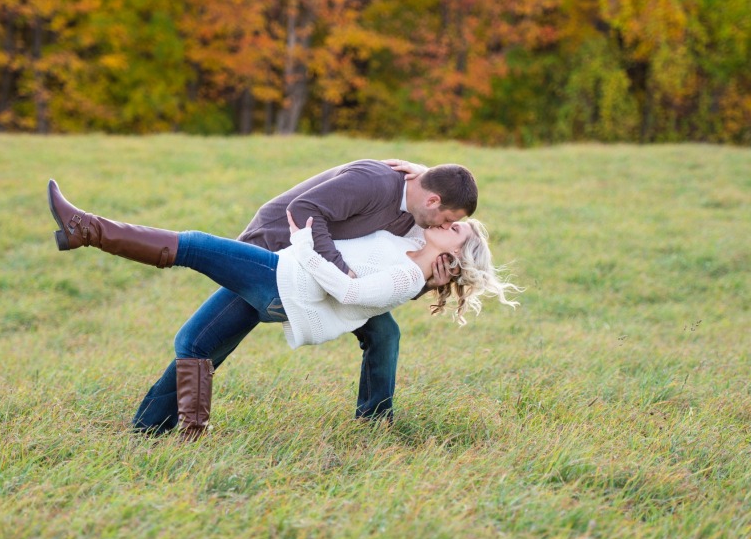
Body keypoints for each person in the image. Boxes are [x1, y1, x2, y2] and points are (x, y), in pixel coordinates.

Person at [47, 178, 520, 439]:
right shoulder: (412, 236)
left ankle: (86, 228)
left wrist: (304, 243)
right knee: (196, 342)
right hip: (285, 278)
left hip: (283, 279)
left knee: (192, 244)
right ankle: (158, 431)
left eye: (455, 227)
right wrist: (415, 172)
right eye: (452, 219)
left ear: (452, 255)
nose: (449, 223)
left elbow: (358, 292)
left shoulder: (411, 272)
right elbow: (427, 198)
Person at [130, 158, 475, 434]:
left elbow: (390, 281)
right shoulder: (377, 182)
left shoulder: (419, 215)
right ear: (432, 200)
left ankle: (374, 423)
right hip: (274, 250)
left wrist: (429, 283)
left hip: (320, 278)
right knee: (200, 340)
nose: (443, 227)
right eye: (447, 219)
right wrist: (341, 270)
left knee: (384, 333)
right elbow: (305, 208)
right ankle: (152, 427)